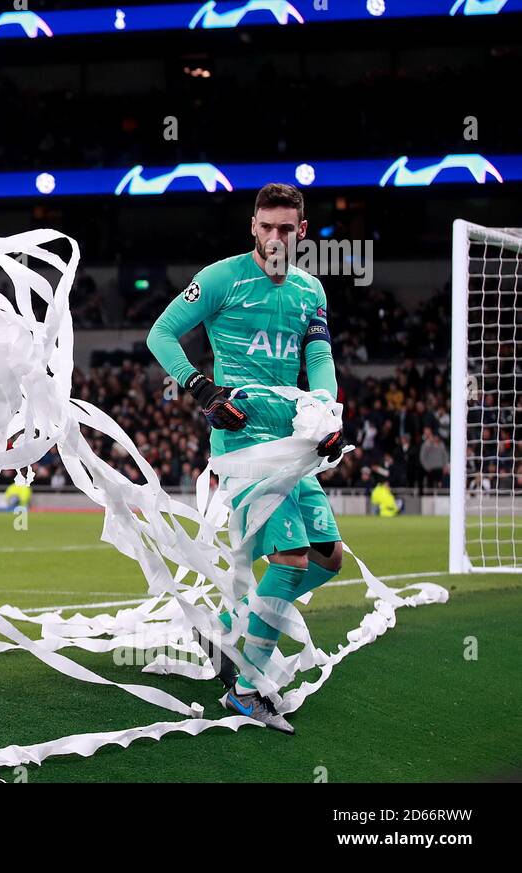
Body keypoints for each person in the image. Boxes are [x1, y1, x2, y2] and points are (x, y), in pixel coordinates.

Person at [147, 183, 347, 734]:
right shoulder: (220, 279)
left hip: (294, 449)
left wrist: (326, 412)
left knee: (329, 561)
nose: (276, 237)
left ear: (301, 231)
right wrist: (202, 390)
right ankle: (244, 687)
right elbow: (161, 334)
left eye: (287, 228)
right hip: (244, 451)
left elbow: (319, 357)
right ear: (252, 227)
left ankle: (233, 625)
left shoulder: (311, 291)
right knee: (291, 561)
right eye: (267, 227)